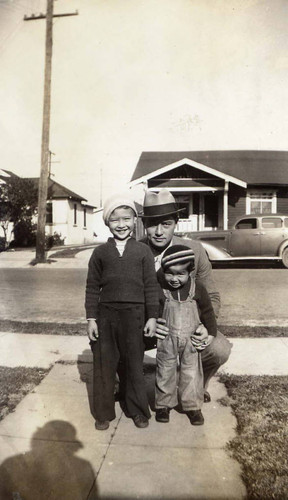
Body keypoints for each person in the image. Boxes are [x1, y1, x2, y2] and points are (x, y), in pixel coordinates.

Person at [140, 189, 232, 401]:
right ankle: (128, 385)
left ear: (176, 223)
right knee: (115, 341)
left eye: (166, 224)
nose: (159, 232)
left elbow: (213, 296)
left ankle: (197, 385)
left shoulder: (195, 250)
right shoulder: (135, 250)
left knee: (219, 348)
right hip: (148, 326)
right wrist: (148, 321)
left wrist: (204, 326)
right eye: (153, 224)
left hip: (186, 326)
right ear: (144, 224)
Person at [85, 193, 159, 430]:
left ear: (134, 221)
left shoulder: (143, 252)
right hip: (106, 316)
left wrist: (152, 317)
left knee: (134, 365)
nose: (121, 224)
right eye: (115, 220)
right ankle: (103, 412)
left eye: (126, 219)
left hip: (134, 316)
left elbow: (151, 286)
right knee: (105, 365)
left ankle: (137, 410)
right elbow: (92, 287)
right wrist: (91, 318)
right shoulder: (100, 253)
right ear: (107, 223)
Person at [155, 245, 217, 426]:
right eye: (170, 273)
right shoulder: (161, 290)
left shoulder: (198, 290)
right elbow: (152, 311)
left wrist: (210, 333)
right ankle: (163, 405)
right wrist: (153, 322)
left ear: (190, 272)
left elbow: (208, 313)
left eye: (180, 274)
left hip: (191, 339)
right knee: (165, 370)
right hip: (167, 338)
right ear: (164, 271)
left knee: (191, 373)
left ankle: (192, 407)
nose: (174, 279)